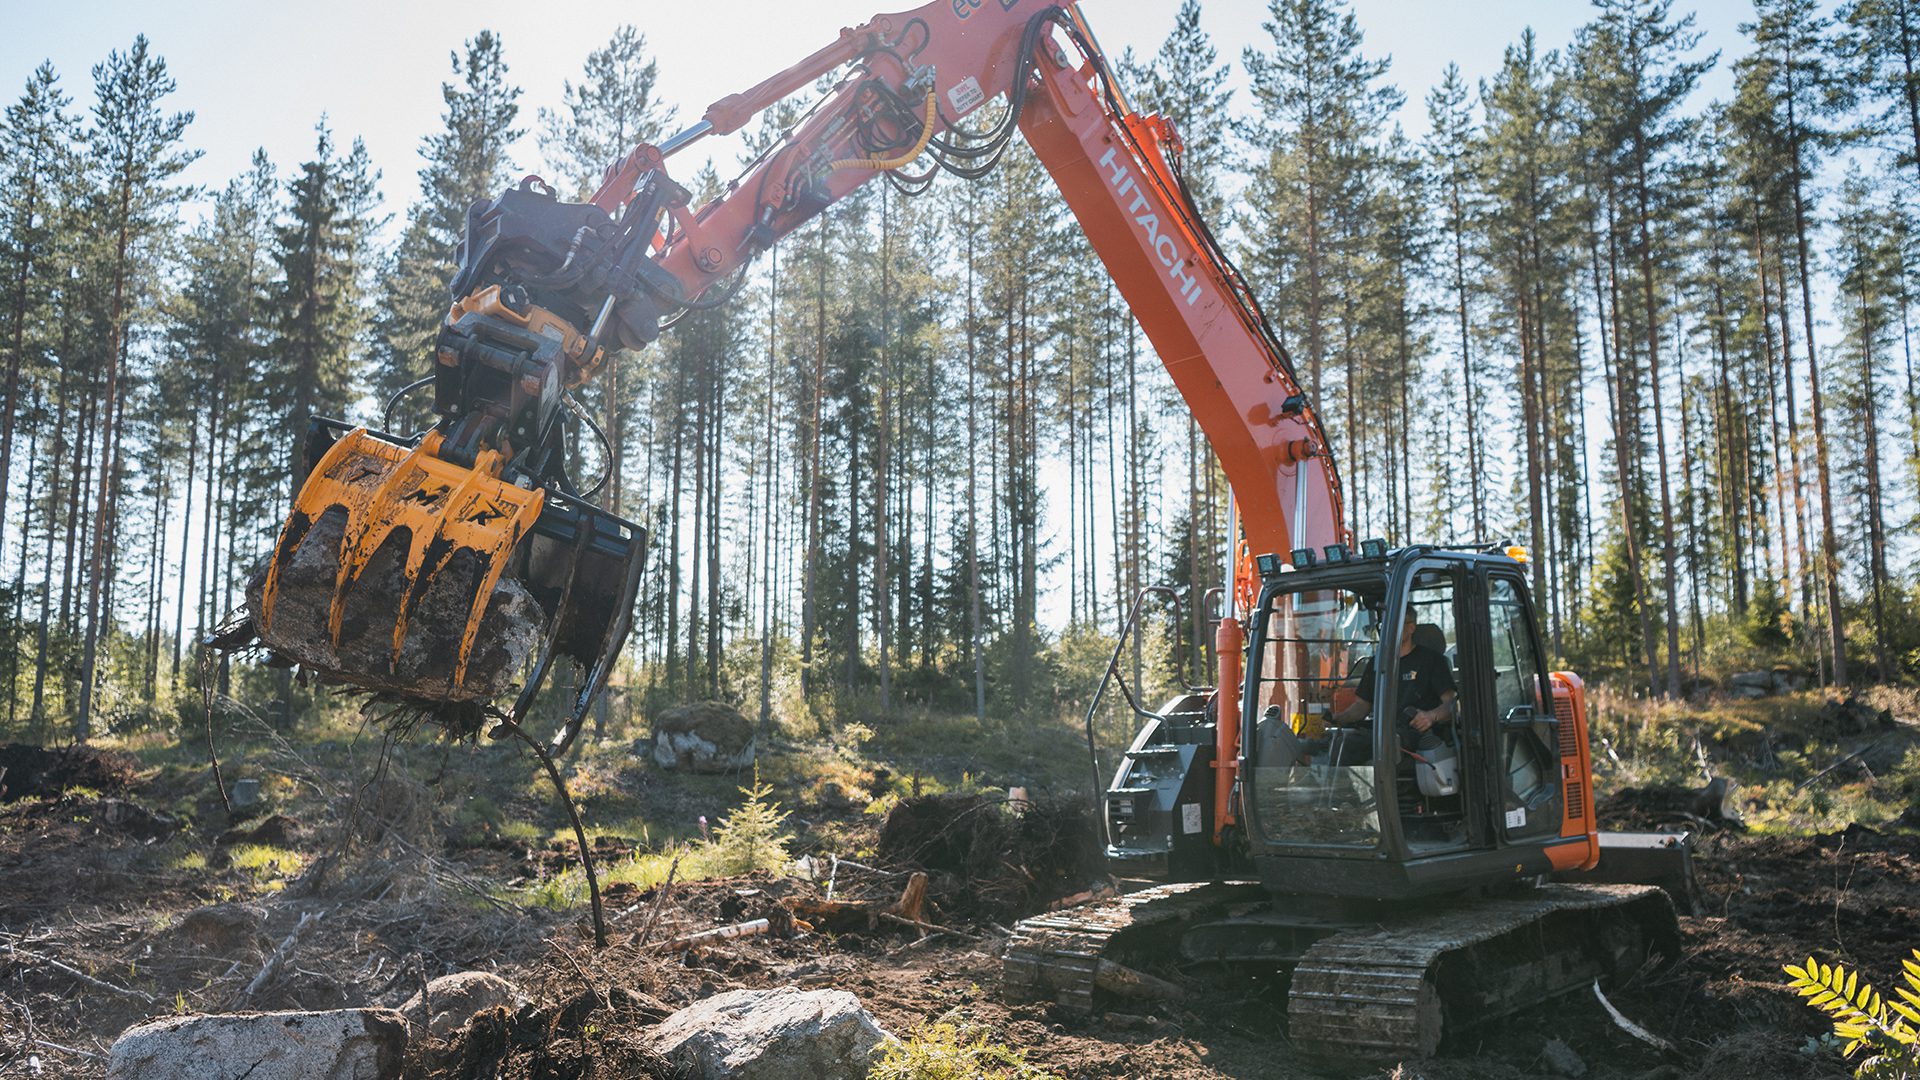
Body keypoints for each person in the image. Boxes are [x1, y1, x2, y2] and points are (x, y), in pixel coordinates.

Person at [1332, 604, 1456, 750]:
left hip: (1419, 736)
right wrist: (1338, 718)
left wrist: (1430, 716)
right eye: (1385, 624)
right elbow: (1361, 706)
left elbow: (1452, 704)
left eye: (1395, 623)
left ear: (1411, 628)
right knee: (1334, 742)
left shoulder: (1432, 661)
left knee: (1350, 746)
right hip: (1383, 734)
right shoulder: (1377, 662)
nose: (1388, 629)